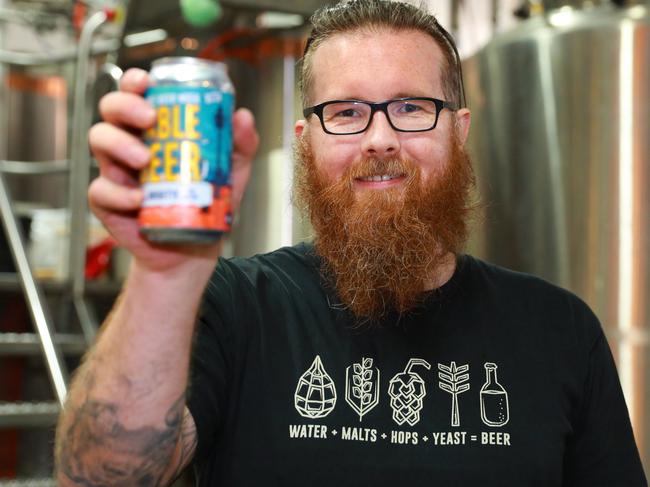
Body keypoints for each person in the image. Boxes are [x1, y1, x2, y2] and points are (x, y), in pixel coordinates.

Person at [54, 0, 647, 486]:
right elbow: (100, 480)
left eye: (412, 107)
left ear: (459, 132)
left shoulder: (559, 328)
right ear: (307, 140)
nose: (380, 138)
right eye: (346, 112)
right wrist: (165, 273)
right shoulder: (236, 306)